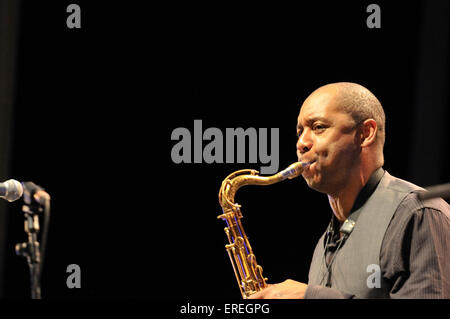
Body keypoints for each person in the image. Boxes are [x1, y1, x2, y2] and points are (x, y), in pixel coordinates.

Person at [249, 82, 450, 299]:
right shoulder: (323, 245)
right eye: (299, 132)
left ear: (365, 133)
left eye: (318, 127)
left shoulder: (419, 213)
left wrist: (313, 297)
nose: (302, 143)